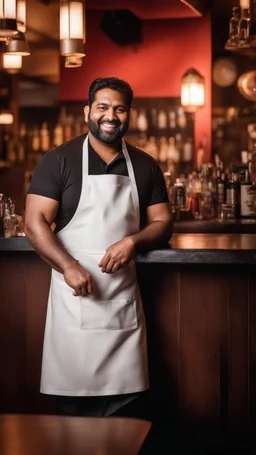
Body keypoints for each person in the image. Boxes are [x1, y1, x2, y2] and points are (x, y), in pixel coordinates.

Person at [25, 77, 173, 419]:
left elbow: (163, 221)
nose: (111, 115)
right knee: (73, 416)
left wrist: (132, 242)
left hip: (122, 301)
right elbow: (33, 223)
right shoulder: (58, 161)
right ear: (87, 111)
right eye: (103, 107)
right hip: (75, 301)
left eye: (120, 108)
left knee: (127, 414)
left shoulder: (145, 165)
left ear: (129, 115)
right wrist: (68, 266)